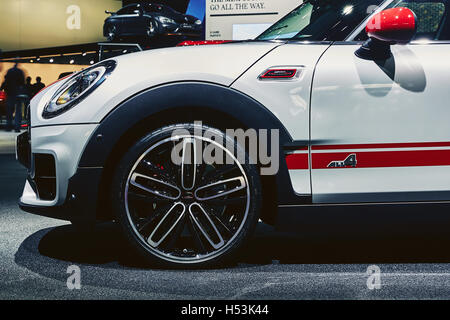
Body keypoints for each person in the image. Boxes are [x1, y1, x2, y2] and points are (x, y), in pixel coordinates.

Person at [0, 63, 25, 132]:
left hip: (10, 94)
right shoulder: (20, 72)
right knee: (18, 111)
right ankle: (17, 128)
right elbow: (22, 83)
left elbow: (3, 85)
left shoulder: (9, 71)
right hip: (17, 94)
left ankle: (9, 127)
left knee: (9, 111)